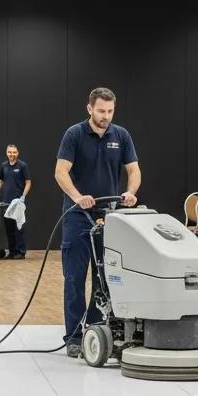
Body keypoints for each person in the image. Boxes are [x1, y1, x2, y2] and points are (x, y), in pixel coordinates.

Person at [54, 87, 141, 358]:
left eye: (110, 111)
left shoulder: (121, 135)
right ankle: (74, 337)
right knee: (75, 277)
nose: (106, 116)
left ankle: (96, 329)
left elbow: (134, 170)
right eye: (101, 111)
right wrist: (78, 197)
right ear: (89, 108)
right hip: (77, 215)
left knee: (105, 277)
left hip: (109, 216)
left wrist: (131, 192)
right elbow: (60, 171)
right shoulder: (74, 134)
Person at [0, 143, 32, 259]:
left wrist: (23, 197)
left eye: (14, 152)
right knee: (9, 229)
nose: (12, 154)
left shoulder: (22, 166)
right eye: (10, 152)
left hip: (17, 202)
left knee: (19, 228)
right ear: (6, 153)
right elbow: (0, 181)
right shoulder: (4, 166)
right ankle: (12, 252)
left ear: (17, 153)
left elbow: (28, 182)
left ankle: (21, 252)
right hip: (6, 202)